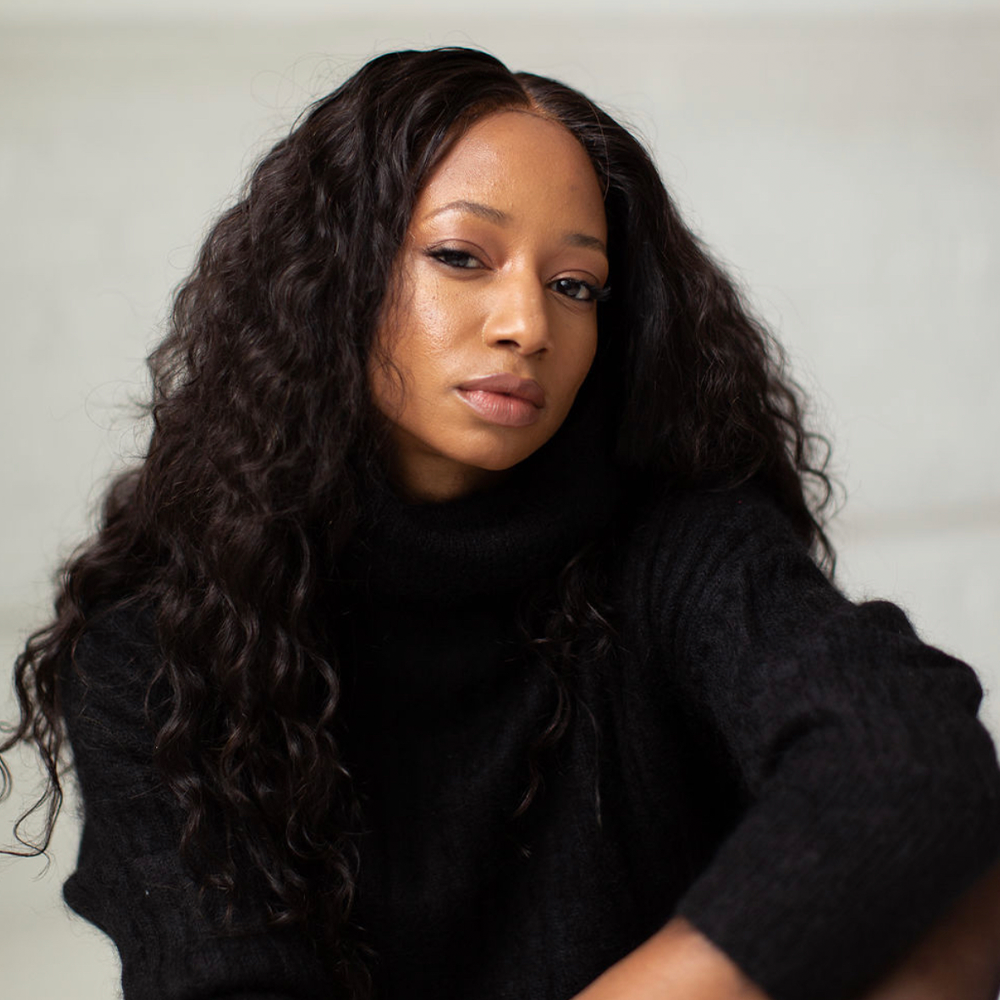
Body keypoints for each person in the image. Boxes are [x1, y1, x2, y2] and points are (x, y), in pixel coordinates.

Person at [2, 46, 999, 1000]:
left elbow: (903, 757)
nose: (528, 325)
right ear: (336, 275)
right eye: (460, 256)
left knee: (959, 885)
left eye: (574, 285)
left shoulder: (677, 547)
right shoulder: (160, 643)